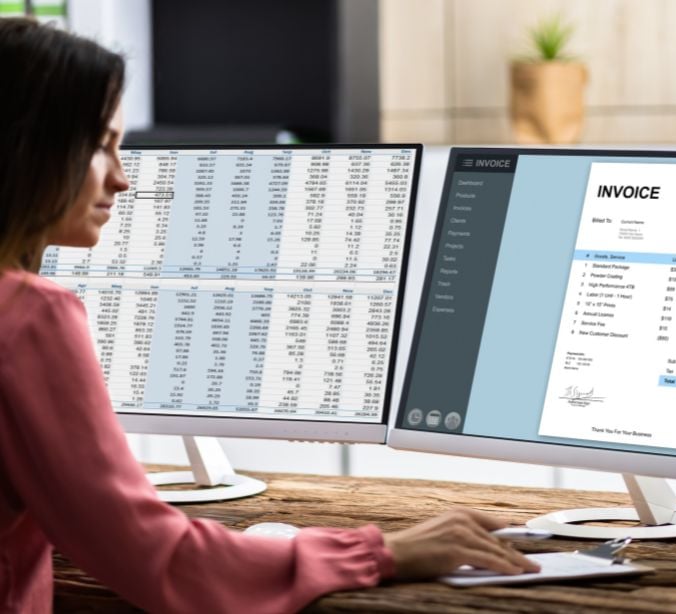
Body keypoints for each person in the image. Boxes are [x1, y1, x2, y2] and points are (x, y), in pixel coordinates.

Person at [0, 18, 539, 614]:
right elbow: (161, 561)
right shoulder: (29, 317)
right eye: (101, 145)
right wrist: (381, 550)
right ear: (30, 144)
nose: (123, 179)